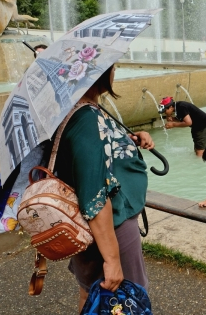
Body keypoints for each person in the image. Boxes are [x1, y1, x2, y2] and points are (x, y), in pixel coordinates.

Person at [54, 64, 154, 312]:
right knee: (126, 300)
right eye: (112, 67)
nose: (115, 71)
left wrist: (128, 141)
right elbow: (94, 194)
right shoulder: (86, 119)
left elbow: (92, 156)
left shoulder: (79, 108)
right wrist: (112, 259)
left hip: (90, 226)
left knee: (91, 293)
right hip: (112, 226)